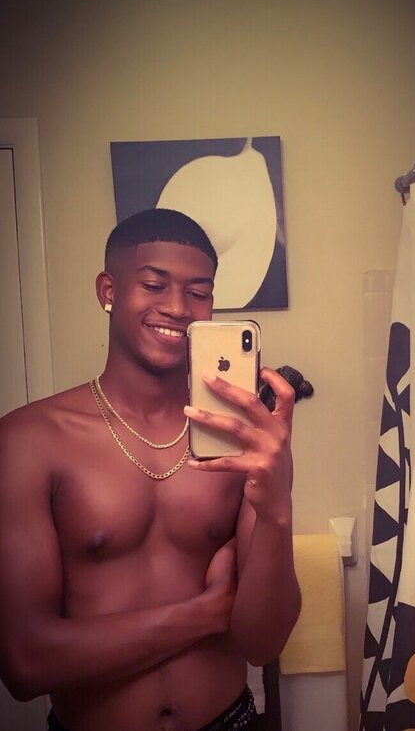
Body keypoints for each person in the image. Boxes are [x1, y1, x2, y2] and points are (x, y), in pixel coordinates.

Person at [0, 208, 301, 731]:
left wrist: (276, 508)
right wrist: (206, 613)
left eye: (199, 292)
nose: (178, 308)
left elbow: (262, 643)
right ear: (108, 290)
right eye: (154, 285)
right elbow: (25, 665)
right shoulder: (28, 441)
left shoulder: (241, 442)